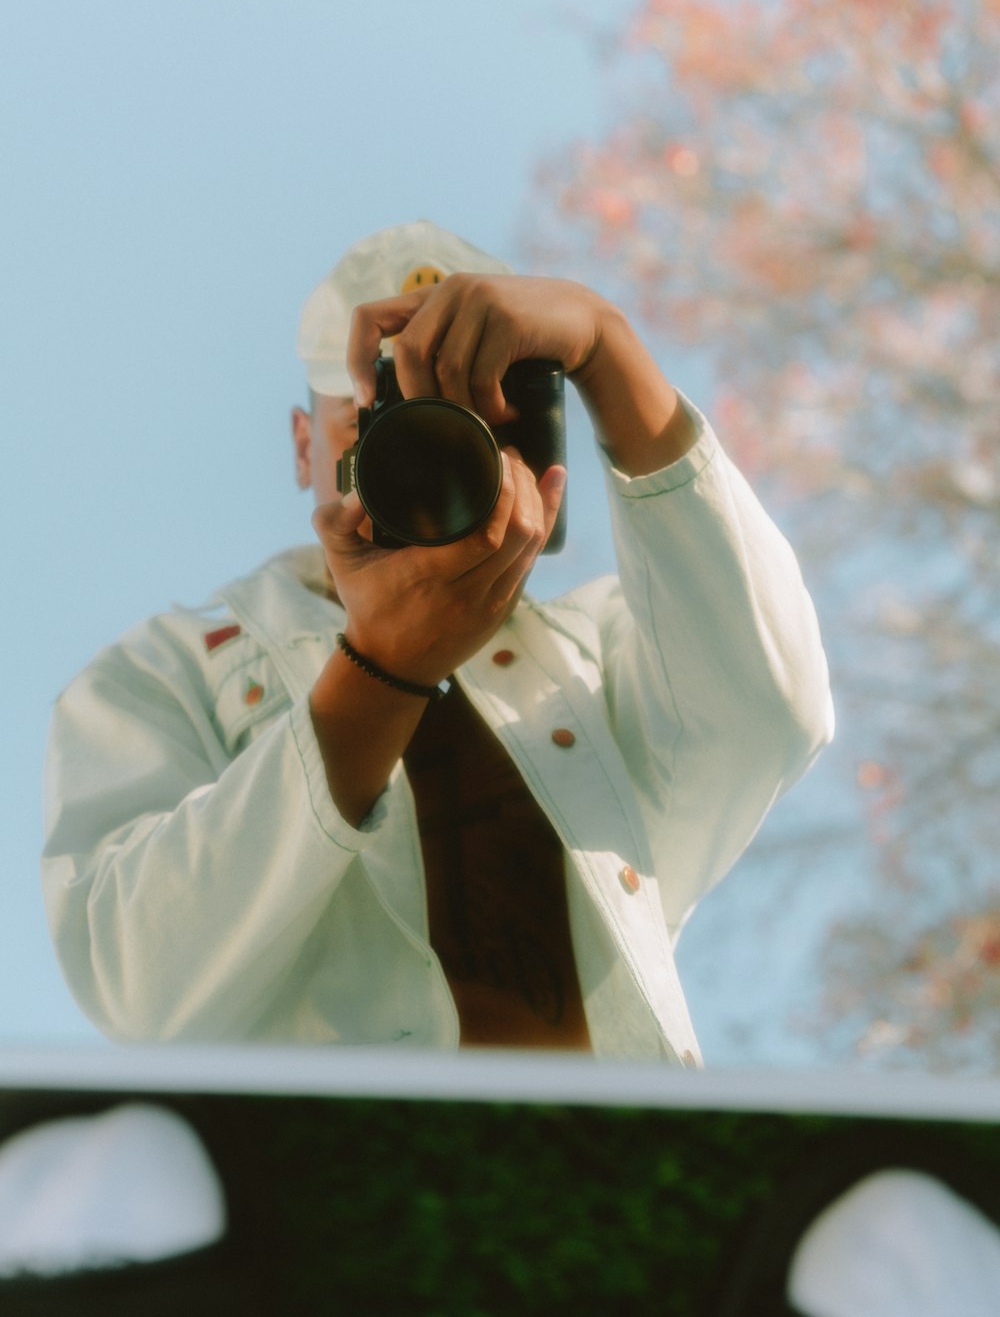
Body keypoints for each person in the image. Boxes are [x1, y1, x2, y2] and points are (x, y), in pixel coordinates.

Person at [42, 221, 833, 1059]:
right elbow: (135, 980)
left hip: (617, 1171)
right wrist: (375, 674)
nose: (414, 446)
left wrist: (607, 349)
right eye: (373, 416)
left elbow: (769, 712)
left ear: (522, 437)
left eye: (453, 415)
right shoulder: (166, 668)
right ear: (306, 444)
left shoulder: (600, 650)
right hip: (344, 1177)